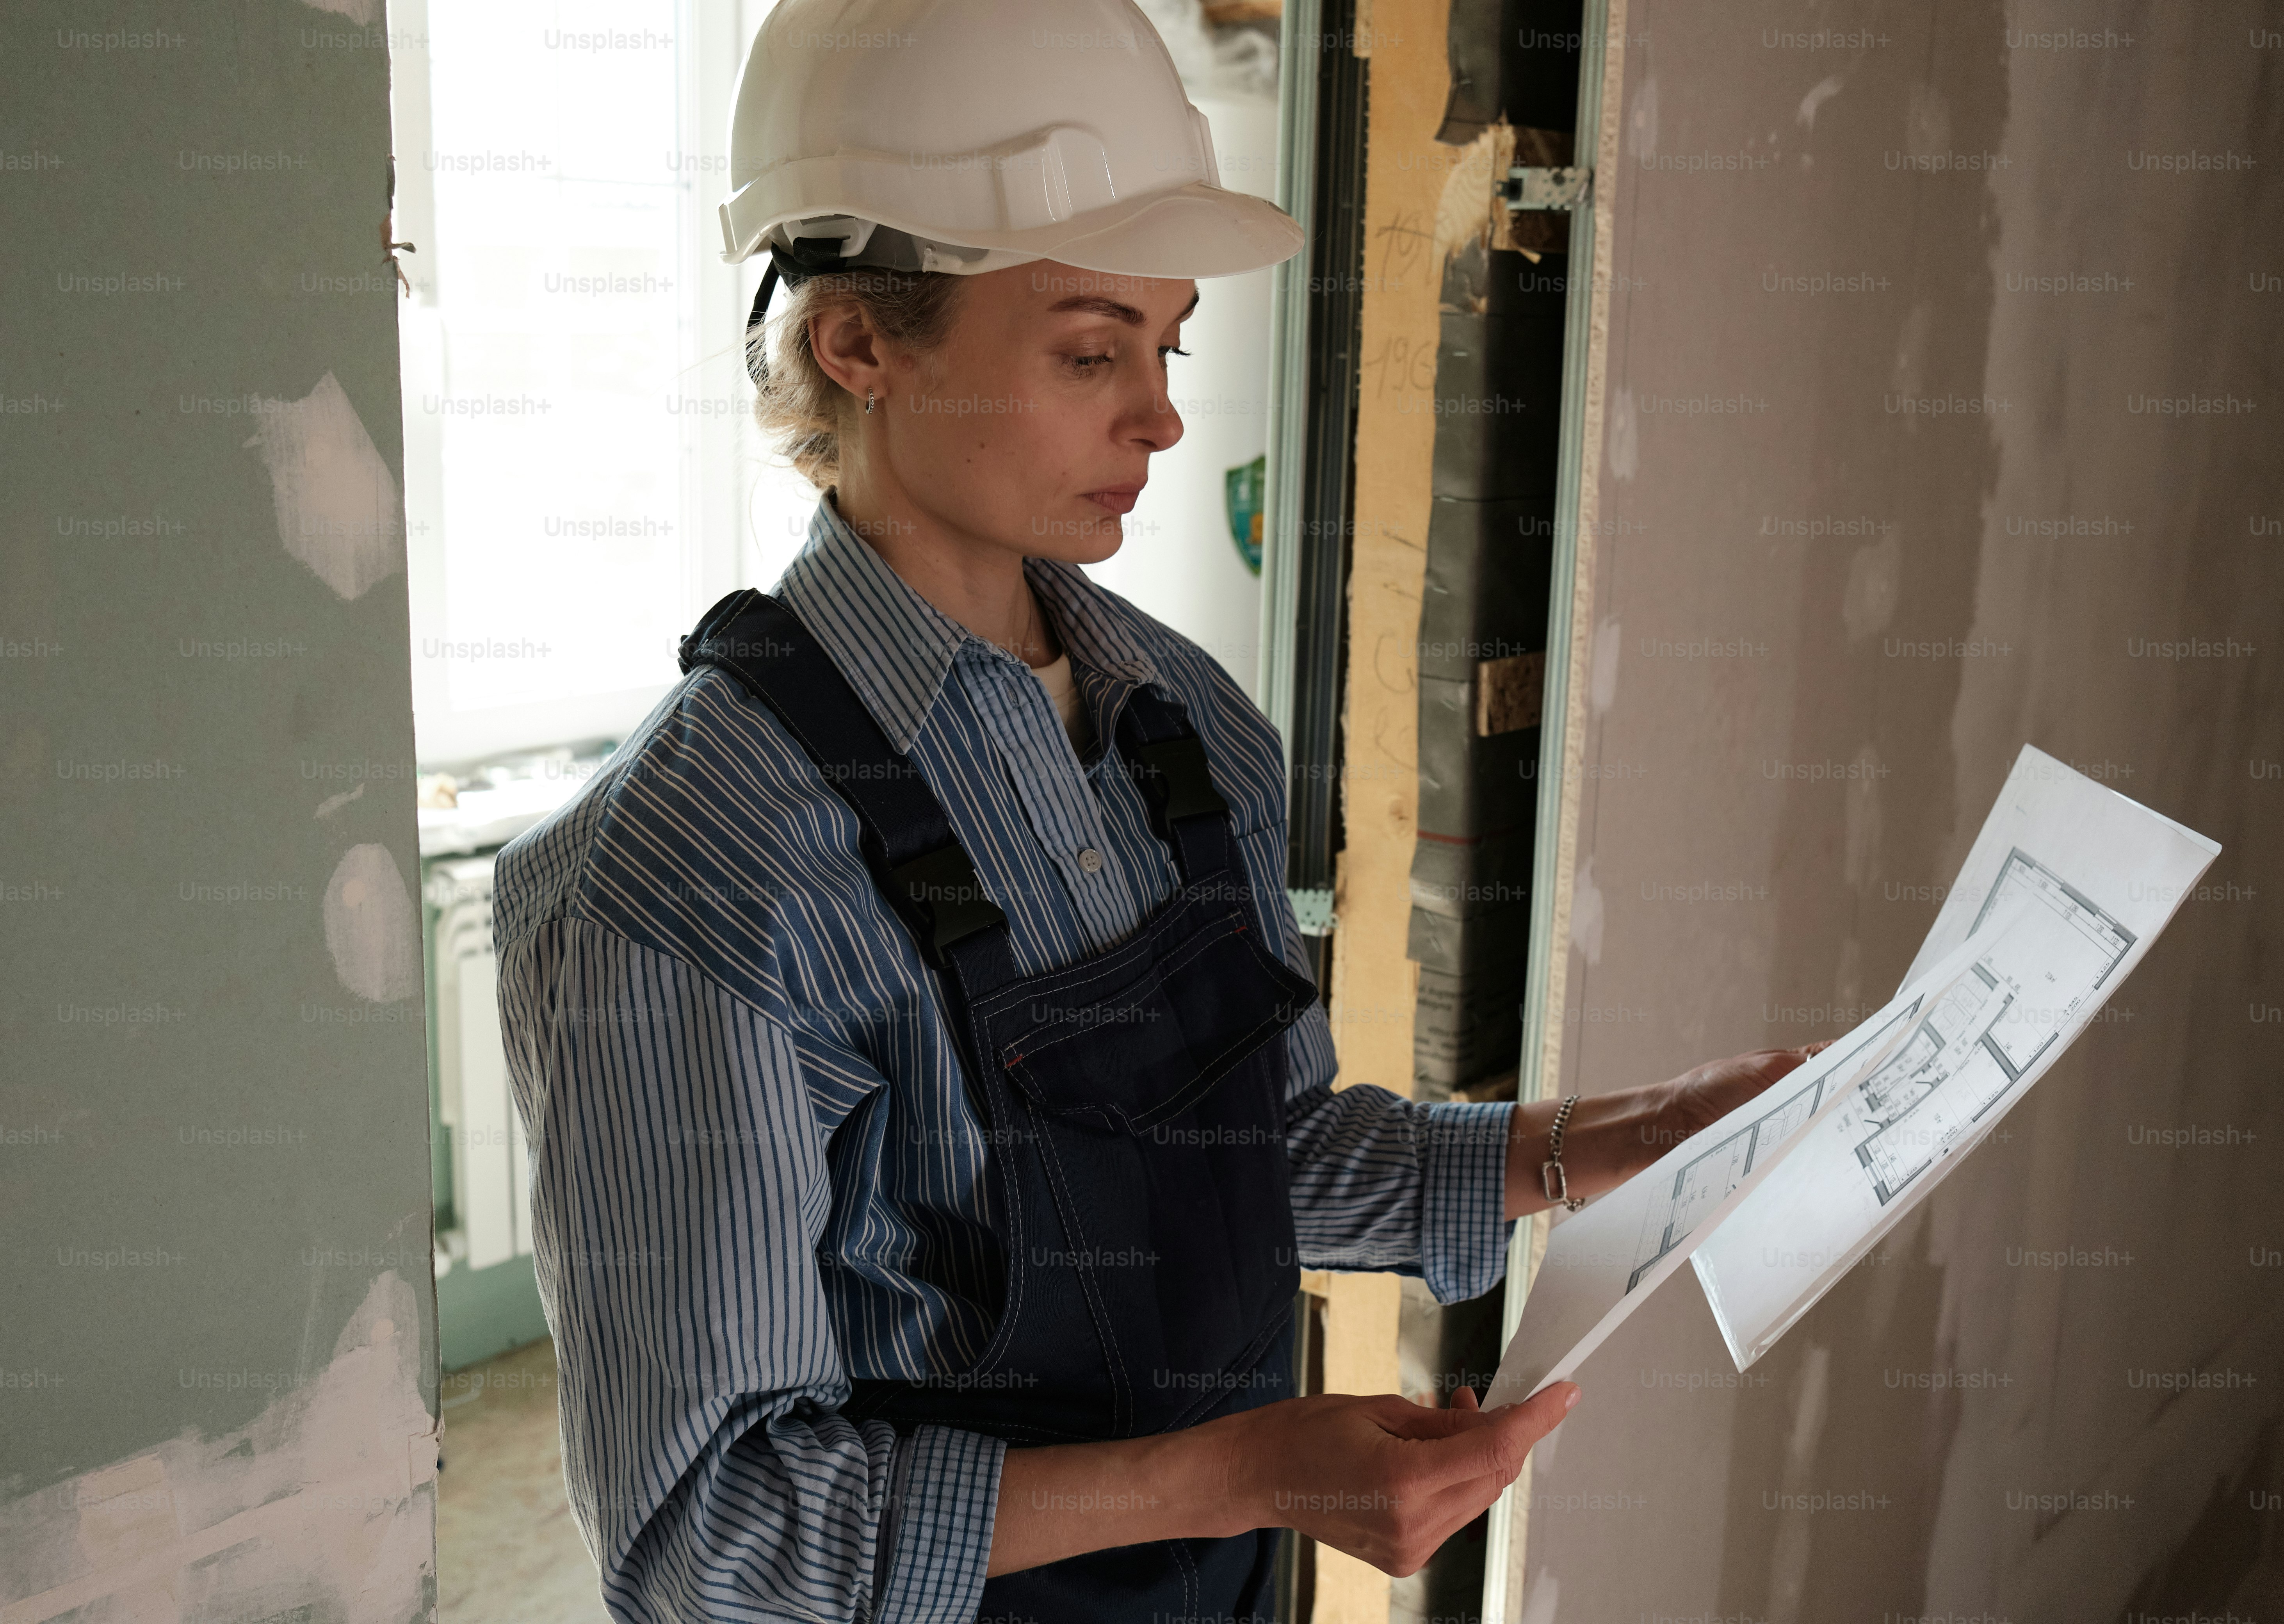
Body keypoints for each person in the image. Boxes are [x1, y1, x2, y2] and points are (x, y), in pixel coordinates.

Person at [492, 2, 1821, 1619]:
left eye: (1167, 344)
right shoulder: (687, 873)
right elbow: (712, 1537)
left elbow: (1258, 1148)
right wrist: (1249, 1468)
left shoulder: (1188, 730)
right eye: (1087, 348)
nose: (1163, 416)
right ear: (859, 342)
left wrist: (1588, 1147)